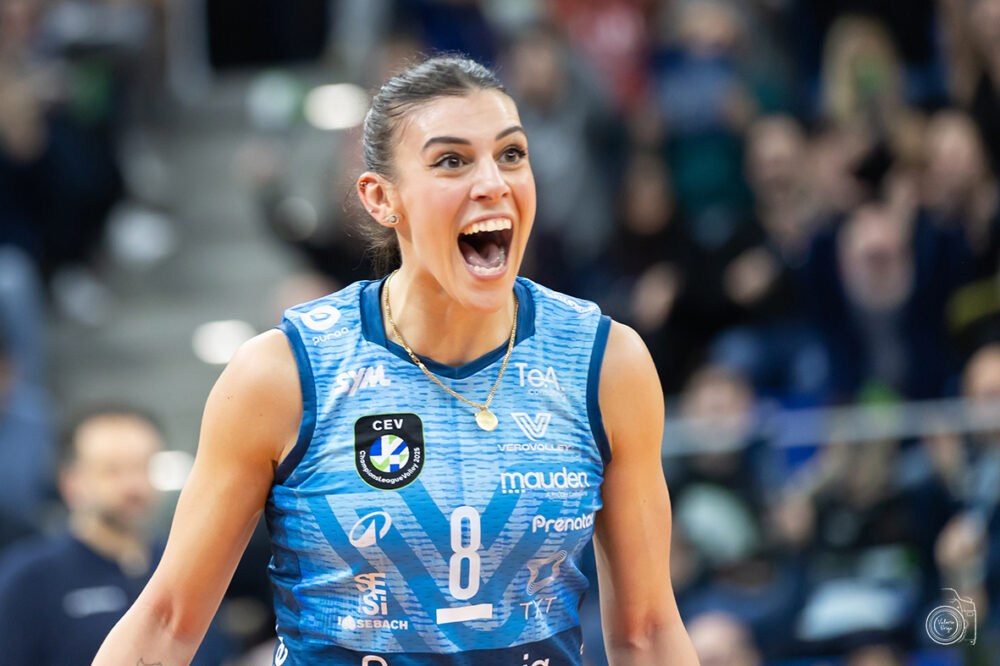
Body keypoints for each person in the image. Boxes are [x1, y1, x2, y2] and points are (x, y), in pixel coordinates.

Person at [93, 56, 698, 665]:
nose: (493, 182)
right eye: (451, 161)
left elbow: (647, 632)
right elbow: (166, 623)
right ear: (382, 198)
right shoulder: (283, 373)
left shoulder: (606, 362)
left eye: (511, 154)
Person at [0, 406, 229, 664]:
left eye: (143, 467)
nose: (134, 486)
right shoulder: (30, 578)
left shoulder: (187, 568)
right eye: (112, 471)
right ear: (71, 482)